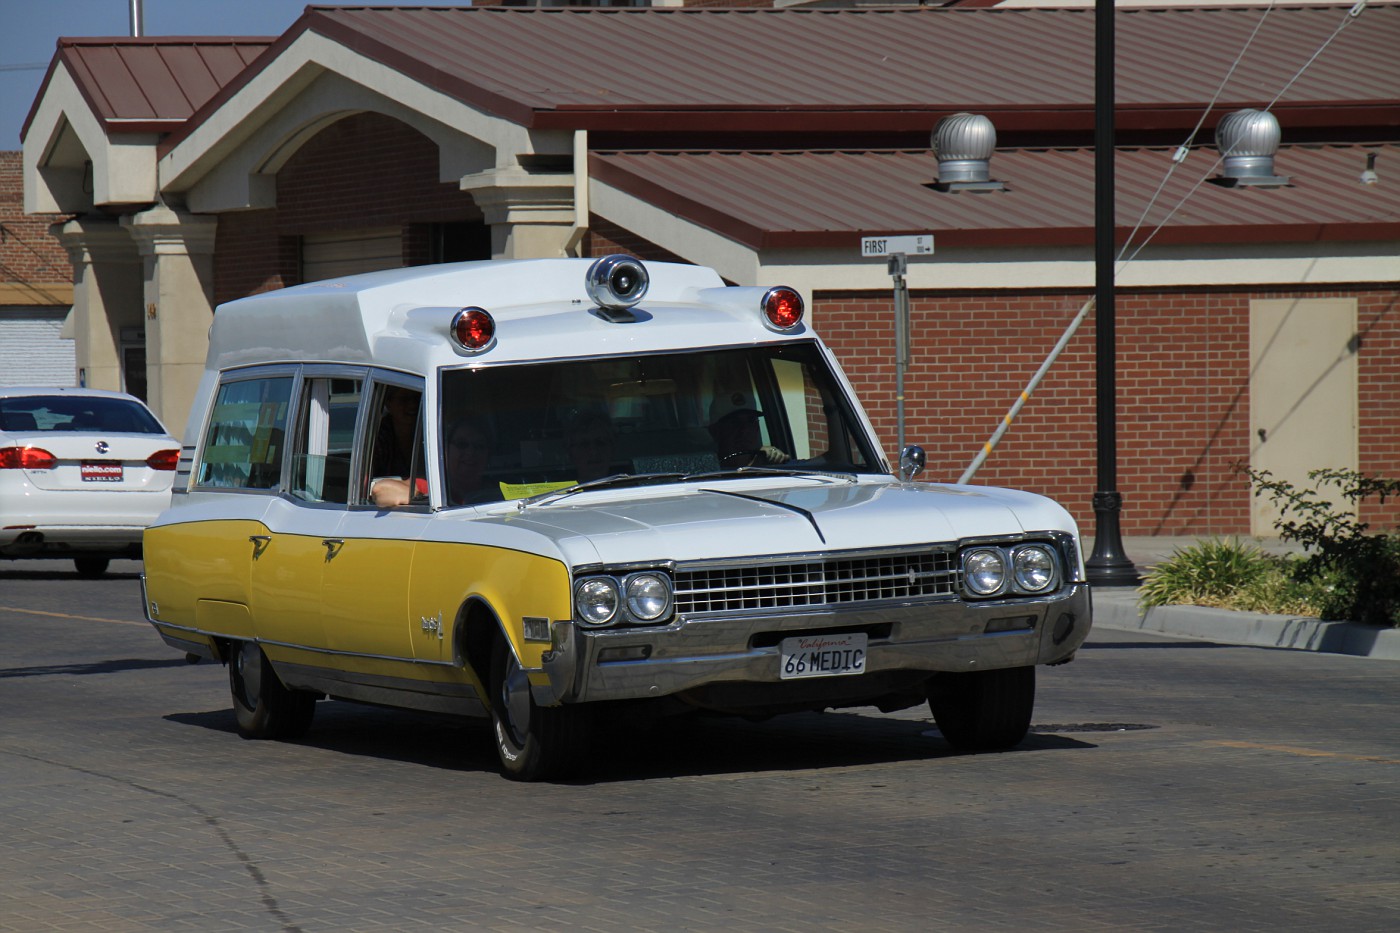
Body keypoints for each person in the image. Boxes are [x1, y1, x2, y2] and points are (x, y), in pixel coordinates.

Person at [708, 391, 789, 468]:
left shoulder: (767, 462)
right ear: (715, 431)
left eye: (751, 421)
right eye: (734, 423)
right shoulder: (707, 468)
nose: (745, 430)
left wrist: (776, 458)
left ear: (757, 427)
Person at [565, 409, 618, 482]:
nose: (594, 452)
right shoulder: (559, 492)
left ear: (613, 448)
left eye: (600, 443)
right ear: (570, 453)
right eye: (584, 445)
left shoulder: (633, 490)